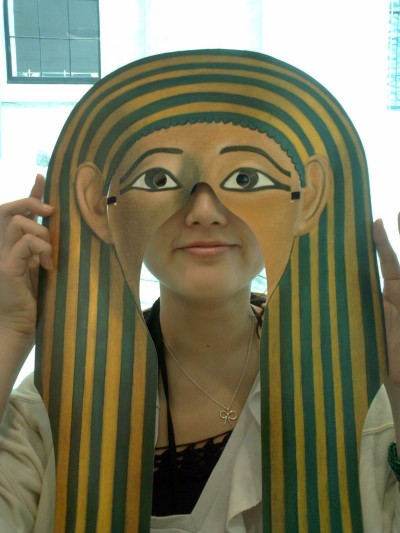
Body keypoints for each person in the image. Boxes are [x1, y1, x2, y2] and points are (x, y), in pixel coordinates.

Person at [0, 49, 399, 532]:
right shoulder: (50, 407)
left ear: (307, 199)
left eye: (246, 179)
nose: (204, 212)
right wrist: (9, 332)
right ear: (98, 204)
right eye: (158, 179)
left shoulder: (366, 402)